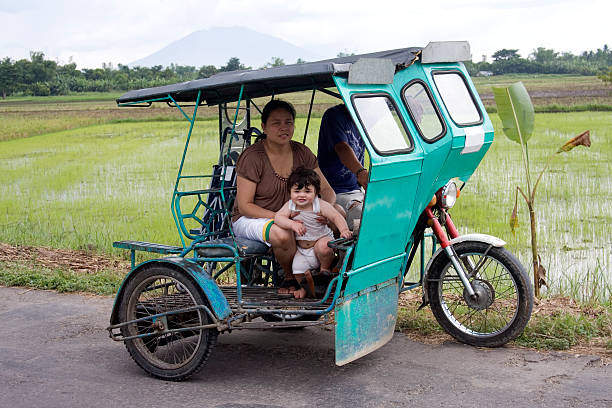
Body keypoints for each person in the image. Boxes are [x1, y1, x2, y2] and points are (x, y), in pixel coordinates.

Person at [231, 99, 336, 295]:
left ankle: (327, 274)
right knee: (283, 232)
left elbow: (328, 192)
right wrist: (282, 218)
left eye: (288, 122)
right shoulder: (253, 157)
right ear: (264, 127)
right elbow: (245, 206)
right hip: (252, 219)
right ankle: (289, 278)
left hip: (293, 216)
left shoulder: (301, 152)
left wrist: (327, 211)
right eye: (276, 123)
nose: (283, 128)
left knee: (338, 213)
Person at [275, 167, 351, 299]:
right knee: (297, 269)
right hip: (303, 249)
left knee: (324, 246)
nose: (301, 195)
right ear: (290, 192)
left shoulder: (319, 205)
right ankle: (305, 288)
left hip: (320, 240)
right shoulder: (290, 206)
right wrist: (292, 224)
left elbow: (335, 216)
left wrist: (344, 230)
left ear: (316, 192)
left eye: (307, 191)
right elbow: (278, 218)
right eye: (297, 191)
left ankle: (324, 271)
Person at [317, 104, 368, 231]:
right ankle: (351, 249)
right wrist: (361, 173)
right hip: (335, 191)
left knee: (385, 212)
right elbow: (341, 147)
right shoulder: (334, 115)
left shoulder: (367, 115)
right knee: (362, 217)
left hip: (356, 190)